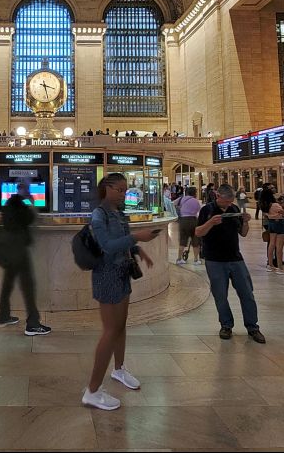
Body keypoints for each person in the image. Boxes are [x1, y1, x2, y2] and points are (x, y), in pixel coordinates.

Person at [82, 173, 156, 411]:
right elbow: (107, 246)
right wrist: (136, 236)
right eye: (121, 190)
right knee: (110, 331)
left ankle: (119, 369)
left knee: (121, 326)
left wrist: (137, 249)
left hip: (122, 272)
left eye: (126, 190)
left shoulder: (118, 213)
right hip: (106, 275)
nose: (125, 195)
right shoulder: (98, 215)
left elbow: (122, 239)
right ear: (107, 189)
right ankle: (92, 391)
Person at [195, 184, 265, 344]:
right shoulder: (207, 210)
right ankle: (226, 325)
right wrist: (211, 223)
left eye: (230, 201)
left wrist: (246, 222)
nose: (228, 204)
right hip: (214, 260)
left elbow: (243, 233)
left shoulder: (234, 210)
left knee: (247, 293)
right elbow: (198, 232)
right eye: (226, 201)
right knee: (220, 295)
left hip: (235, 258)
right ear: (217, 196)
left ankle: (253, 327)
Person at [0, 180, 51, 335]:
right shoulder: (21, 205)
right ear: (24, 190)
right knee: (28, 286)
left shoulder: (8, 204)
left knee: (8, 283)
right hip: (19, 250)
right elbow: (31, 220)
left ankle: (3, 316)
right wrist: (32, 203)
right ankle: (32, 324)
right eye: (27, 188)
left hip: (8, 249)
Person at [173, 187, 201, 265]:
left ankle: (179, 259)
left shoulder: (181, 199)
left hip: (183, 221)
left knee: (183, 240)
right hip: (194, 220)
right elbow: (199, 211)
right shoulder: (196, 201)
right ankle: (196, 260)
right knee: (195, 240)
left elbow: (172, 204)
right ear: (194, 193)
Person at [266, 193, 284, 274]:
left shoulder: (267, 205)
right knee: (279, 246)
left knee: (272, 244)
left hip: (271, 223)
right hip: (279, 223)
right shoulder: (275, 205)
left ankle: (270, 265)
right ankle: (280, 267)